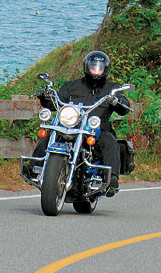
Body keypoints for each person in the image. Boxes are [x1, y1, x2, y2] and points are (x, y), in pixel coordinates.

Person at [34, 51, 131, 197]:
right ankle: (34, 167)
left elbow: (123, 106)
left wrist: (120, 102)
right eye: (93, 66)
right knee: (49, 136)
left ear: (106, 69)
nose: (96, 70)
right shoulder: (71, 86)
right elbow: (55, 102)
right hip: (71, 127)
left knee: (110, 141)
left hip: (97, 130)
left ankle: (112, 179)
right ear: (87, 67)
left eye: (100, 67)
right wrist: (46, 97)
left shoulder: (111, 88)